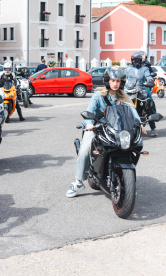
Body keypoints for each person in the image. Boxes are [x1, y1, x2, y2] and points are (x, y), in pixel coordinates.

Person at [66, 67, 146, 198]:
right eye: (113, 80)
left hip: (115, 130)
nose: (115, 83)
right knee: (85, 149)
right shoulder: (98, 96)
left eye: (118, 81)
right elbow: (90, 112)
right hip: (97, 127)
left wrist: (140, 124)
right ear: (107, 81)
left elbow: (133, 112)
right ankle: (78, 182)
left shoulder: (124, 96)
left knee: (131, 145)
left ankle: (127, 181)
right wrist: (89, 123)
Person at [125, 51, 157, 137]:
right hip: (129, 91)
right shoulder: (127, 69)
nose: (136, 61)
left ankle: (153, 128)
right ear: (131, 60)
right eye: (134, 60)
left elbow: (148, 76)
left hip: (142, 90)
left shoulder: (144, 69)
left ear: (140, 60)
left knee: (149, 106)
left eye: (138, 59)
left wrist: (150, 80)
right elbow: (123, 77)